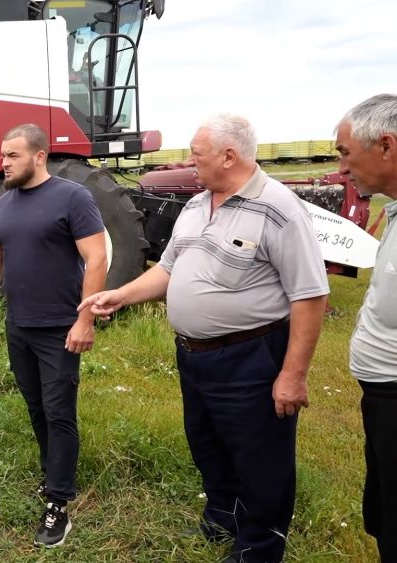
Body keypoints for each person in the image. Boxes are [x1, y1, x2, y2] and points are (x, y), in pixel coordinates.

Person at [79, 114, 329, 563]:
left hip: (251, 355)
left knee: (260, 457)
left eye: (197, 155)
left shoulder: (279, 209)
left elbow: (310, 296)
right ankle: (223, 517)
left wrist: (293, 374)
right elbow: (169, 268)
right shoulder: (197, 205)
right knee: (208, 443)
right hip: (195, 356)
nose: (190, 162)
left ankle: (259, 547)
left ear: (229, 156)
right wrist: (121, 295)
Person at [0, 123, 108, 548]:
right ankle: (54, 473)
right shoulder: (3, 204)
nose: (4, 163)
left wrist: (85, 321)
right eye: (2, 155)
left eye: (12, 155)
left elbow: (97, 257)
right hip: (19, 326)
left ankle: (59, 503)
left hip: (59, 328)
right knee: (36, 407)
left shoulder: (73, 197)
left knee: (58, 411)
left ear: (39, 156)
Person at [335, 94, 397, 563]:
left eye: (345, 153)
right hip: (380, 399)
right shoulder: (393, 213)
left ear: (387, 147)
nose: (341, 169)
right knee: (384, 516)